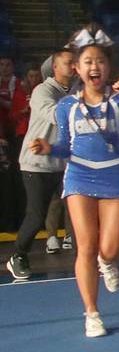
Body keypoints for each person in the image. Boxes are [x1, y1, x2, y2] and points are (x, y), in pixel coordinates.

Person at [29, 32, 119, 337]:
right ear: (77, 67)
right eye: (88, 61)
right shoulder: (66, 107)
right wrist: (50, 149)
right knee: (85, 247)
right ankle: (92, 312)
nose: (94, 66)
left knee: (109, 247)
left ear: (108, 67)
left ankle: (108, 261)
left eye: (100, 61)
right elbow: (66, 146)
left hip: (115, 175)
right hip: (79, 177)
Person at [6, 49, 75, 280]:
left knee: (77, 212)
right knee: (36, 217)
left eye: (75, 63)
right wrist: (85, 106)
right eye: (68, 63)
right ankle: (18, 255)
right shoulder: (42, 91)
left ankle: (86, 257)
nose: (73, 67)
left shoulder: (76, 91)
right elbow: (58, 116)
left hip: (63, 164)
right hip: (36, 163)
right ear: (55, 67)